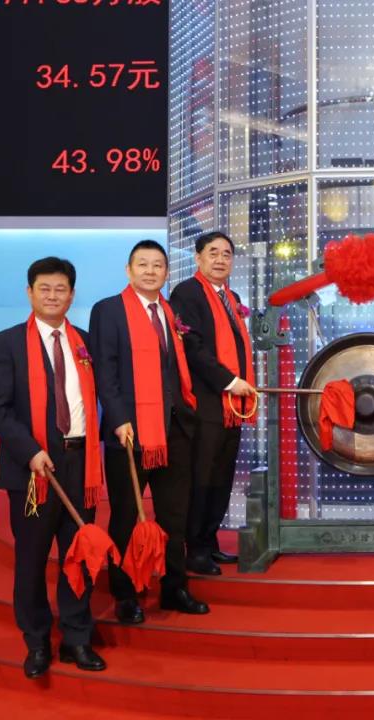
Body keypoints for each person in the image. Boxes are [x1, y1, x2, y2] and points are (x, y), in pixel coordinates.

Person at [0, 257, 107, 679]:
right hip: (33, 469)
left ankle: (76, 638)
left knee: (78, 554)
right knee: (32, 560)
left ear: (72, 295)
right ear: (29, 292)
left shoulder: (84, 342)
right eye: (44, 288)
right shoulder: (6, 343)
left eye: (61, 289)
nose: (53, 296)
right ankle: (36, 642)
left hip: (80, 464)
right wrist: (30, 451)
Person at [89, 239, 208, 623]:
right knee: (126, 515)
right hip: (129, 432)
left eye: (158, 265)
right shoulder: (108, 310)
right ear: (129, 270)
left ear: (167, 272)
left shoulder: (170, 312)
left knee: (175, 517)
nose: (151, 271)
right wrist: (118, 418)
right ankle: (125, 593)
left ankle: (175, 588)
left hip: (174, 430)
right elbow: (105, 370)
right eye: (143, 264)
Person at [169, 231, 257, 576]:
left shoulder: (232, 297)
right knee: (201, 479)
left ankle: (209, 540)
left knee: (222, 478)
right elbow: (193, 348)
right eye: (213, 253)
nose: (220, 260)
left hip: (232, 407)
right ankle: (195, 550)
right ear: (198, 258)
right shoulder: (186, 293)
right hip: (205, 404)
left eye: (226, 254)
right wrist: (230, 381)